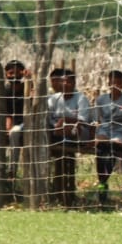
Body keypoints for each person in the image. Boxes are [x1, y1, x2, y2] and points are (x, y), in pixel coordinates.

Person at [46, 67, 91, 208]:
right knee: (54, 133)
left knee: (69, 131)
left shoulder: (81, 98)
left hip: (76, 132)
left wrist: (66, 120)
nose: (65, 85)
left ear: (74, 83)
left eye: (68, 82)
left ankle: (68, 194)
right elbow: (48, 118)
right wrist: (57, 126)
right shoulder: (53, 99)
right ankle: (58, 191)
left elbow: (83, 120)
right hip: (57, 131)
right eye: (62, 82)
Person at [93, 69, 122, 206]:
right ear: (108, 83)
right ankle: (102, 181)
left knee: (117, 144)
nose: (115, 85)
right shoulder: (101, 100)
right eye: (112, 82)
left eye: (118, 83)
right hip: (106, 129)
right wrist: (94, 137)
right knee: (101, 144)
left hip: (121, 130)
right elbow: (98, 121)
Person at [0, 59, 28, 179]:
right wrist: (6, 124)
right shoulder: (3, 90)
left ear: (22, 73)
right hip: (7, 121)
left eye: (17, 72)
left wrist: (31, 80)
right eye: (10, 73)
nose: (14, 75)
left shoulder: (28, 87)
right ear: (6, 74)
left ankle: (12, 170)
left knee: (14, 133)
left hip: (24, 122)